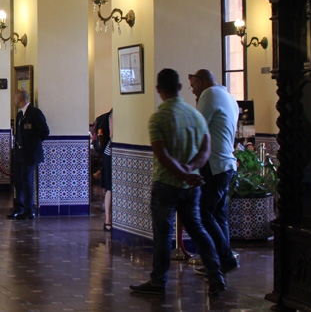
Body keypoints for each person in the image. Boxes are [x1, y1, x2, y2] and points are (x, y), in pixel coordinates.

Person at [130, 68, 225, 296]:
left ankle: (158, 281)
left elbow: (161, 154)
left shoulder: (159, 117)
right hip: (190, 187)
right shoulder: (195, 115)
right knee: (199, 231)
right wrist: (190, 171)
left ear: (158, 90)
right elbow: (205, 149)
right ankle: (216, 275)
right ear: (181, 88)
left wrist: (181, 173)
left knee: (163, 235)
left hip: (165, 185)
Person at [189, 69, 240, 275]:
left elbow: (197, 127)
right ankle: (220, 262)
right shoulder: (229, 97)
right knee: (219, 215)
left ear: (200, 82)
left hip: (214, 164)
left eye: (193, 87)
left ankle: (224, 259)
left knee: (203, 213)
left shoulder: (209, 95)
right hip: (227, 164)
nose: (193, 92)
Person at [7, 88, 49, 220]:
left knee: (27, 180)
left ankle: (29, 210)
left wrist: (33, 145)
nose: (13, 101)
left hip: (30, 154)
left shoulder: (35, 113)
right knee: (18, 181)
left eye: (14, 98)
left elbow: (44, 131)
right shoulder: (20, 115)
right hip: (19, 153)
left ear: (20, 99)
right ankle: (18, 208)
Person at [92, 109, 113, 231]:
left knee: (109, 188)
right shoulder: (114, 115)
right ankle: (108, 220)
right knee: (110, 187)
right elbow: (112, 135)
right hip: (111, 154)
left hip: (108, 154)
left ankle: (108, 220)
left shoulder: (111, 114)